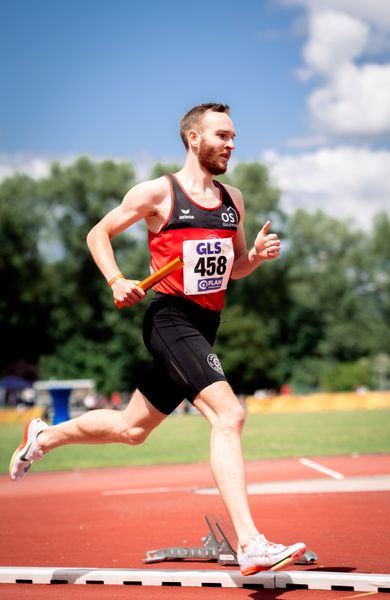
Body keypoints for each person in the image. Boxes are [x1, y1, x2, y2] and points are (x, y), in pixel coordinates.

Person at [9, 103, 306, 576]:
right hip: (170, 320)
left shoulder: (234, 200)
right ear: (193, 138)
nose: (232, 143)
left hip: (206, 325)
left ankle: (43, 437)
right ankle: (251, 543)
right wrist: (115, 280)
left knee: (132, 429)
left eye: (234, 136)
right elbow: (97, 234)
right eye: (222, 135)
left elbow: (234, 269)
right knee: (229, 414)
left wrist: (255, 256)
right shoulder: (158, 194)